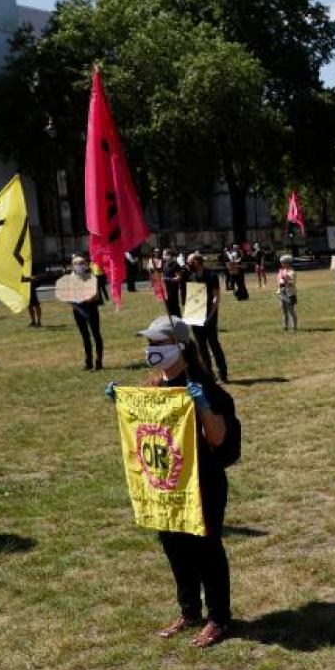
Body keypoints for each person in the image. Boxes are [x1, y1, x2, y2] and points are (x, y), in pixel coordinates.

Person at [106, 315, 240, 648]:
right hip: (167, 484)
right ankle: (189, 610)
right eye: (149, 342)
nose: (150, 348)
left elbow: (220, 441)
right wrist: (122, 403)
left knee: (206, 549)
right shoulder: (154, 389)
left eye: (158, 343)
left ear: (181, 347)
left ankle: (219, 618)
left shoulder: (207, 390)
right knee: (175, 547)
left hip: (202, 483)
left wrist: (204, 407)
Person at [185, 253, 229, 383]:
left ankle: (223, 373)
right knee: (201, 347)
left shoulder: (211, 276)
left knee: (214, 344)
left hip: (209, 315)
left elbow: (216, 298)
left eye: (190, 261)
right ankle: (208, 375)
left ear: (197, 262)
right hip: (195, 315)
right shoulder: (191, 276)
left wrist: (210, 315)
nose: (188, 264)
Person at [68, 255, 104, 370]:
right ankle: (88, 362)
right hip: (78, 310)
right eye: (76, 263)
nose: (79, 266)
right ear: (72, 265)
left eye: (81, 263)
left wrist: (83, 298)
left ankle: (99, 361)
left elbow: (96, 295)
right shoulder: (71, 278)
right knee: (85, 336)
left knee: (96, 334)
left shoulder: (91, 277)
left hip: (90, 308)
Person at [276, 254, 297, 331]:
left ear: (288, 263)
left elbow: (292, 283)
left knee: (291, 311)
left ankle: (294, 327)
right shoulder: (281, 271)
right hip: (282, 293)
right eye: (281, 262)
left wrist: (286, 281)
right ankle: (285, 326)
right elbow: (279, 282)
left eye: (283, 262)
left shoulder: (292, 272)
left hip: (290, 294)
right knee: (284, 311)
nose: (282, 264)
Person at [162, 249, 183, 317]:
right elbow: (163, 276)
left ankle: (178, 321)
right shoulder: (165, 264)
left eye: (164, 254)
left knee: (174, 306)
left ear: (169, 255)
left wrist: (167, 279)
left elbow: (178, 277)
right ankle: (171, 321)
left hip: (173, 289)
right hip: (166, 289)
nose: (163, 256)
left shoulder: (175, 265)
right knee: (168, 306)